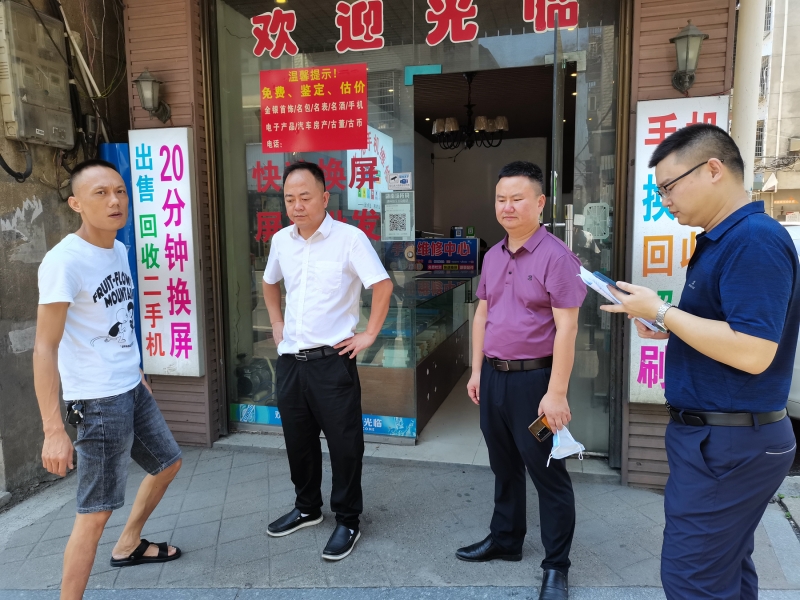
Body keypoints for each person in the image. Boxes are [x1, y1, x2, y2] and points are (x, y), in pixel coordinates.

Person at [601, 124, 799, 599]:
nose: (665, 200)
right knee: (725, 568)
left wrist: (662, 311)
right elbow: (728, 329)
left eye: (669, 186)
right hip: (721, 438)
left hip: (729, 441)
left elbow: (754, 351)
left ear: (713, 169)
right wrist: (668, 324)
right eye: (659, 191)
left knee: (692, 580)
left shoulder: (753, 239)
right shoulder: (723, 238)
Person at [33, 159, 183, 600]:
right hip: (97, 401)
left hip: (130, 388)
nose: (115, 201)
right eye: (100, 193)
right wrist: (53, 430)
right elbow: (44, 347)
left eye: (119, 191)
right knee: (95, 514)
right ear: (76, 203)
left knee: (167, 463)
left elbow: (117, 318)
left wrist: (135, 370)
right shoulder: (63, 262)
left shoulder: (117, 249)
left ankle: (129, 543)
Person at [457, 161, 586, 600]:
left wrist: (557, 393)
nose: (507, 207)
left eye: (517, 198)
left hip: (536, 385)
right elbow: (482, 314)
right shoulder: (493, 255)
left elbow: (567, 328)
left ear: (540, 202)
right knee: (503, 465)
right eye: (501, 199)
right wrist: (477, 370)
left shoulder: (557, 257)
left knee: (547, 472)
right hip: (494, 379)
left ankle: (556, 566)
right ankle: (506, 539)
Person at [262, 161, 393, 561]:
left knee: (344, 445)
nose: (297, 206)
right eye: (289, 199)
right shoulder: (281, 240)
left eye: (304, 197)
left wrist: (369, 334)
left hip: (332, 362)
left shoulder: (350, 239)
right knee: (298, 442)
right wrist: (276, 322)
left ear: (324, 197)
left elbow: (382, 285)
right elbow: (269, 282)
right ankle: (307, 508)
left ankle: (348, 519)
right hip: (291, 362)